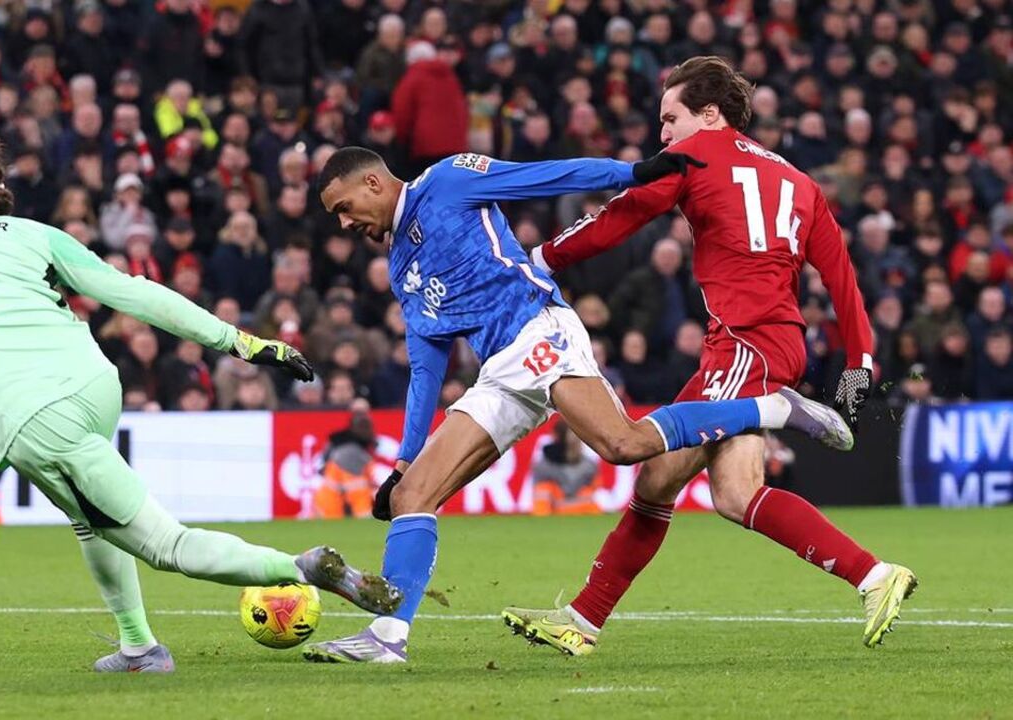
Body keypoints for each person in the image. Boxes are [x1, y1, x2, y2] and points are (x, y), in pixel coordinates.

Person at [0, 139, 401, 673]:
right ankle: (137, 645)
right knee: (89, 519)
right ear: (1, 195)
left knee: (164, 544)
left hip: (32, 420)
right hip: (94, 382)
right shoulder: (32, 233)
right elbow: (132, 291)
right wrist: (242, 341)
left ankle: (300, 569)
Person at [302, 145, 854, 664]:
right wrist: (403, 460)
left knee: (624, 444)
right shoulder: (401, 264)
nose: (345, 224)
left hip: (538, 331)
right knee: (412, 495)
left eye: (345, 208)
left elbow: (546, 175)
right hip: (499, 371)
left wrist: (632, 173)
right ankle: (387, 637)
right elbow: (427, 363)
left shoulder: (448, 180)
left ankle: (775, 409)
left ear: (373, 182)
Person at [504, 57, 917, 657]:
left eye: (670, 119)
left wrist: (539, 260)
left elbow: (621, 217)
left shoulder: (696, 156)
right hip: (769, 342)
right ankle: (583, 620)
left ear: (709, 114)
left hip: (747, 345)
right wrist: (858, 362)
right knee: (685, 485)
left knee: (688, 475)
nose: (663, 135)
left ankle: (781, 414)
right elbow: (843, 279)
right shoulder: (801, 181)